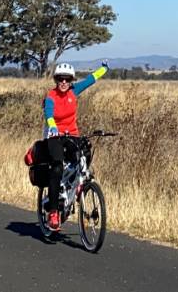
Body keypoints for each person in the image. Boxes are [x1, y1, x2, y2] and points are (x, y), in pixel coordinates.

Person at [32, 60, 108, 231]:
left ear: (71, 80)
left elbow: (91, 79)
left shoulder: (74, 91)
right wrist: (52, 125)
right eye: (60, 79)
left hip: (72, 134)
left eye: (67, 79)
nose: (64, 82)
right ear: (56, 80)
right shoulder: (51, 96)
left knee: (84, 154)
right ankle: (53, 211)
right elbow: (48, 112)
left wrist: (104, 69)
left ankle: (76, 185)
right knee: (57, 166)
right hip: (54, 136)